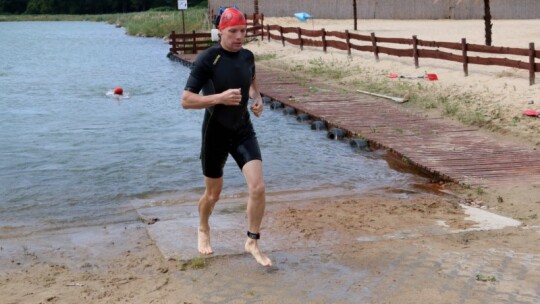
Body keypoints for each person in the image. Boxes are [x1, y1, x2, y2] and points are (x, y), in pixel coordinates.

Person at [181, 7, 272, 267]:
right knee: (213, 195)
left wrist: (257, 98)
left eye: (243, 31)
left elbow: (252, 81)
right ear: (221, 31)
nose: (239, 36)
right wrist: (219, 98)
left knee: (258, 187)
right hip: (215, 131)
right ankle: (203, 227)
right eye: (233, 31)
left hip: (242, 128)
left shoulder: (248, 56)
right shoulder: (208, 59)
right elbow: (186, 100)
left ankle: (252, 241)